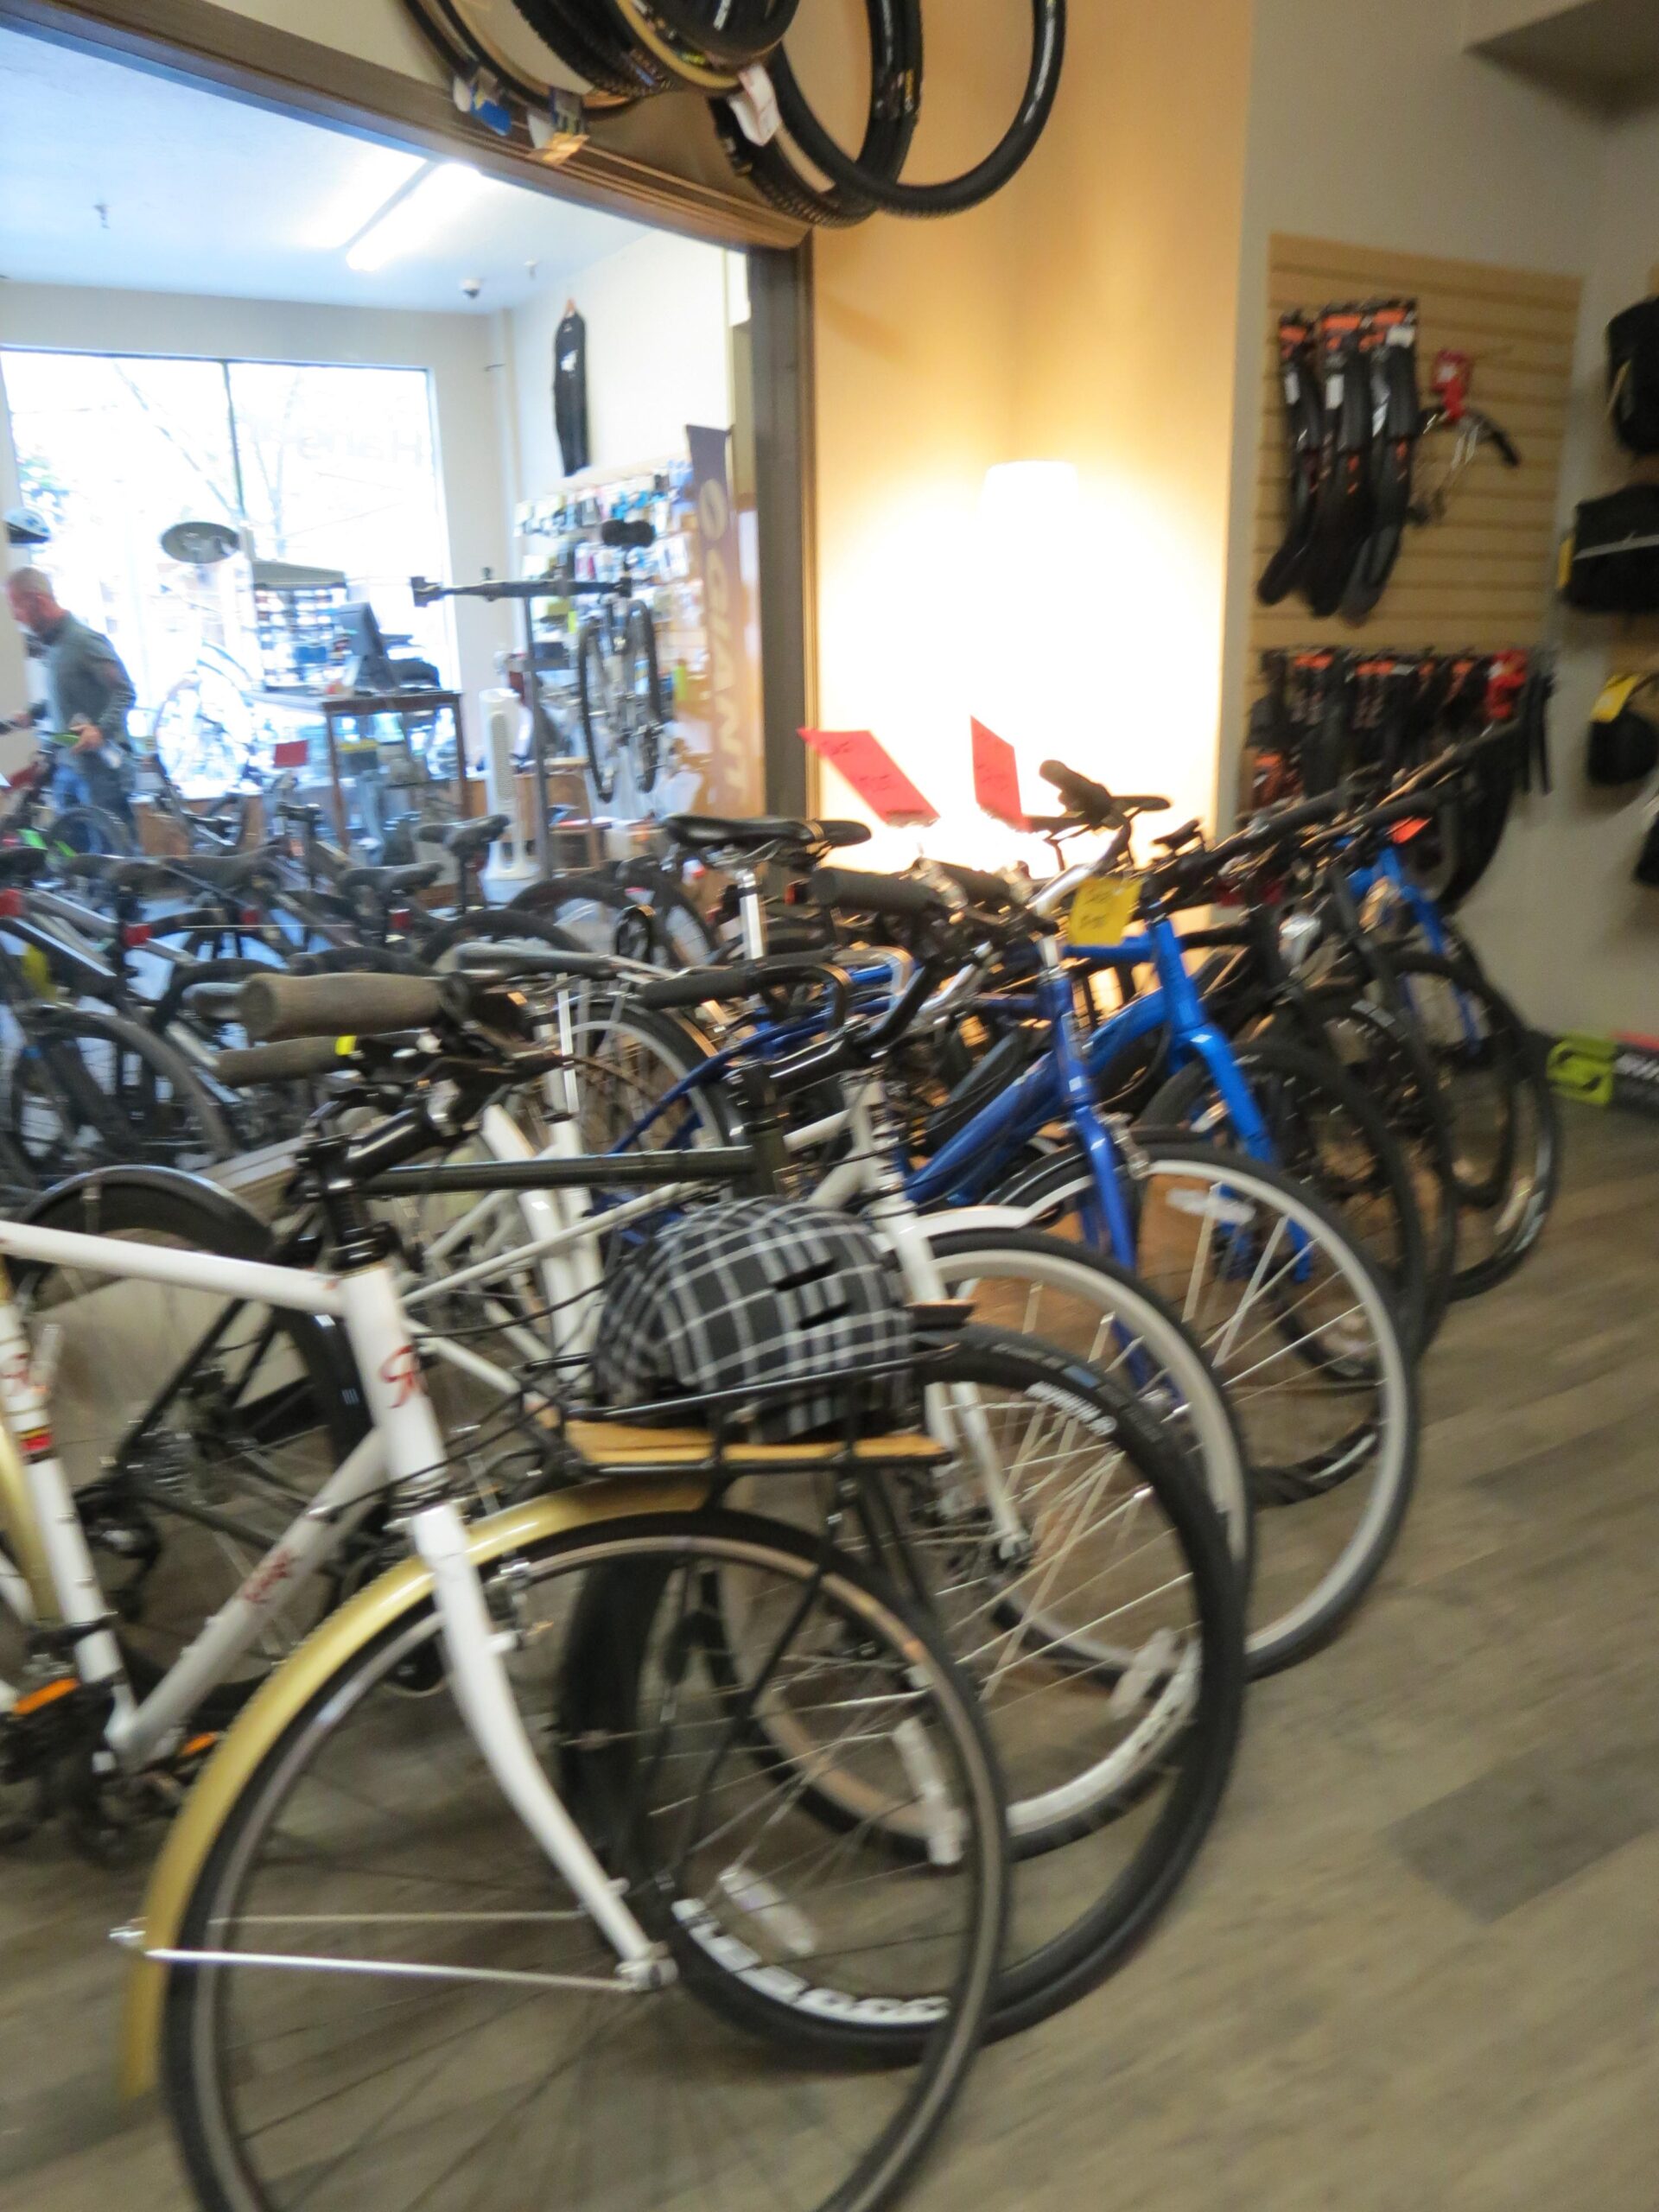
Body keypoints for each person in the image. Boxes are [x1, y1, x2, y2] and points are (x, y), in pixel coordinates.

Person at [4, 565, 136, 823]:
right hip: (69, 768)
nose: (16, 617)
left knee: (116, 861)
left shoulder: (83, 641)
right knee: (70, 857)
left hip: (101, 774)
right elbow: (68, 694)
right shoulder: (56, 647)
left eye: (17, 606)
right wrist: (32, 714)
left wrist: (100, 730)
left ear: (38, 601)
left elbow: (125, 691)